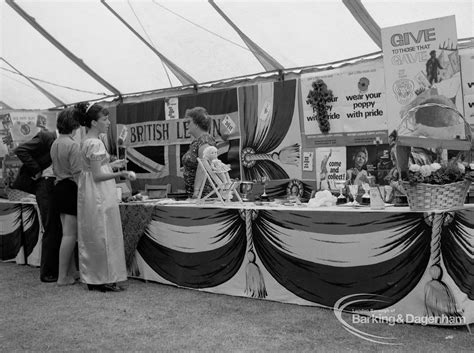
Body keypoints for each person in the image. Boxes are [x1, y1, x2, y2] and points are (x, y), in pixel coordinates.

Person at [76, 102, 131, 292]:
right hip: (99, 192)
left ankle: (95, 275)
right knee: (104, 232)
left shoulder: (86, 141)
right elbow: (98, 175)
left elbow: (94, 169)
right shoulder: (95, 143)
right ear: (93, 122)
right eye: (105, 119)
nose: (108, 123)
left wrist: (113, 164)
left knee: (94, 233)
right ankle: (105, 277)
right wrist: (120, 174)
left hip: (89, 191)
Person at [12, 126, 61, 283]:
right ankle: (47, 272)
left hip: (50, 186)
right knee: (50, 227)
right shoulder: (46, 137)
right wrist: (36, 169)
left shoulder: (59, 141)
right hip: (42, 185)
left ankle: (54, 269)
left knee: (54, 227)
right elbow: (21, 150)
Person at [50, 107, 82, 286]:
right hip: (70, 188)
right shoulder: (72, 145)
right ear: (75, 125)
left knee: (66, 234)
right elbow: (77, 175)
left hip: (59, 187)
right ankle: (62, 276)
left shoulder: (56, 143)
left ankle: (71, 272)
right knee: (70, 235)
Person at [181, 107, 216, 198]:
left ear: (196, 124)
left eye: (189, 122)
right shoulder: (197, 141)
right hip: (196, 194)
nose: (187, 125)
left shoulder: (205, 139)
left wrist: (197, 192)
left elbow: (202, 166)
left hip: (203, 195)